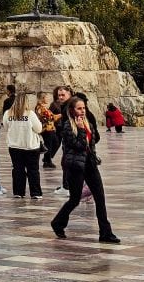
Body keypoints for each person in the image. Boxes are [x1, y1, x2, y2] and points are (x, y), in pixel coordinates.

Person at [51, 96, 119, 243]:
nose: (82, 111)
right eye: (79, 108)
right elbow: (79, 145)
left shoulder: (87, 122)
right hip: (75, 166)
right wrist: (81, 130)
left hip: (90, 164)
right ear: (72, 110)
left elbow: (95, 139)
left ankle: (105, 233)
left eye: (84, 108)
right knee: (75, 199)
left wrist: (88, 129)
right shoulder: (68, 126)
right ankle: (57, 223)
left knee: (100, 197)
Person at [3, 90, 43, 199]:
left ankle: (18, 192)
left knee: (17, 169)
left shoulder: (8, 113)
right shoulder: (30, 114)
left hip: (14, 146)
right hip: (30, 146)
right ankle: (35, 193)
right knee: (33, 170)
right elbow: (39, 129)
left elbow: (6, 127)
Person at [51, 85, 74, 195]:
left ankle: (67, 187)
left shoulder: (70, 106)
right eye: (59, 95)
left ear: (69, 94)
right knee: (66, 162)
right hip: (69, 139)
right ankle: (67, 185)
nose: (60, 97)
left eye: (63, 95)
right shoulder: (67, 105)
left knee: (67, 163)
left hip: (71, 140)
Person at [36, 92, 58, 168]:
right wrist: (60, 115)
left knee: (53, 143)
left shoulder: (42, 107)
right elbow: (51, 117)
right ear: (42, 98)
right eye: (46, 97)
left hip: (49, 128)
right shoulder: (41, 108)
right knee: (50, 145)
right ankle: (47, 161)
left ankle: (46, 159)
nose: (48, 99)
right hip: (47, 129)